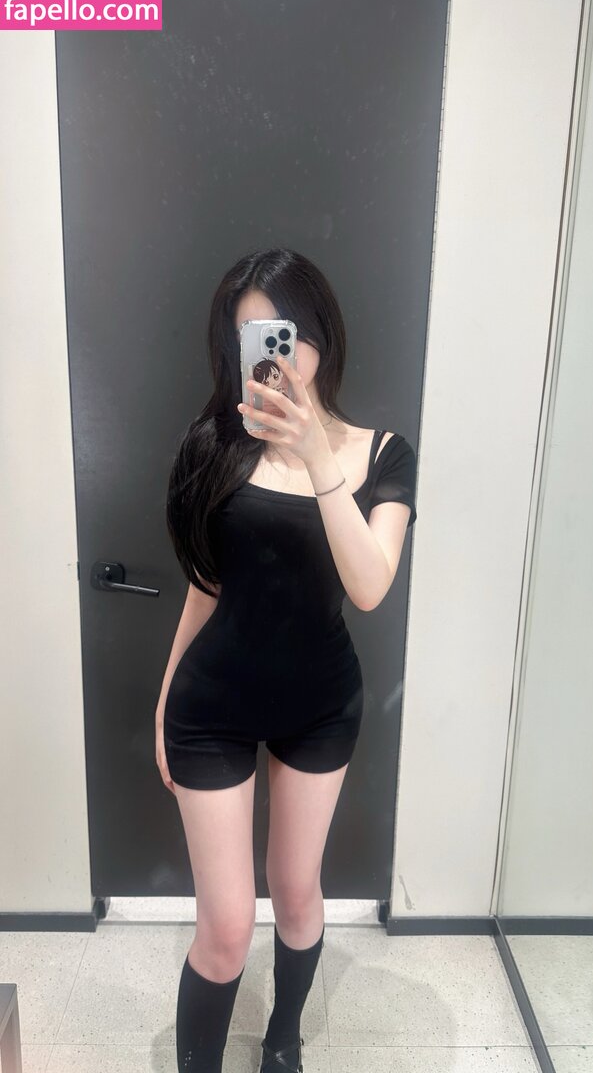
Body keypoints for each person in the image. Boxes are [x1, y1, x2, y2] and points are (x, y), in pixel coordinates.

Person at [156, 247, 418, 1072]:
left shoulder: (383, 455)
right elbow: (205, 588)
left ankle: (282, 1041)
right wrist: (163, 705)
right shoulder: (217, 445)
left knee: (298, 894)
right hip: (213, 705)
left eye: (288, 331)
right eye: (255, 338)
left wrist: (316, 457)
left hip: (319, 706)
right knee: (227, 926)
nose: (278, 355)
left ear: (321, 333)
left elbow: (369, 585)